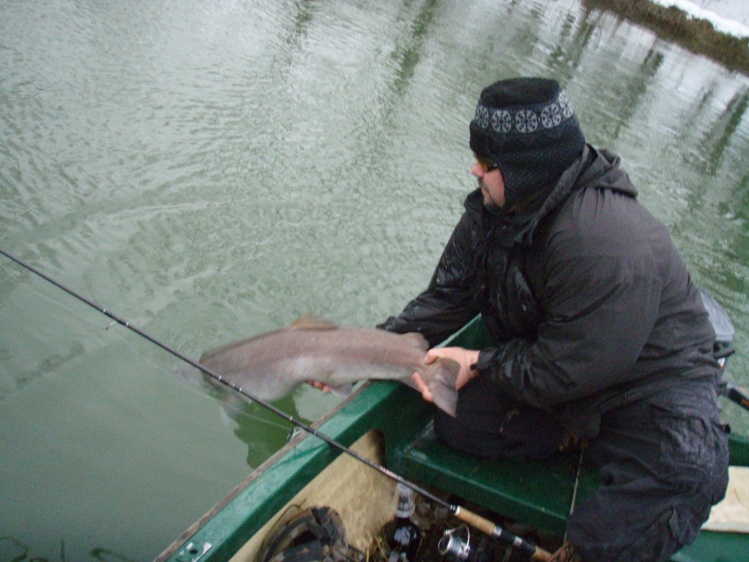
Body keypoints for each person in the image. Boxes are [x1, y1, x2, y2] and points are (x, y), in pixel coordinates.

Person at [377, 78, 729, 562]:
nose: (474, 169)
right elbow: (445, 300)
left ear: (527, 169)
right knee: (457, 422)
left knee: (685, 475)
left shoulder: (601, 240)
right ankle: (576, 435)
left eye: (488, 162)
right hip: (562, 373)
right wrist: (361, 354)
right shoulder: (492, 210)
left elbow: (569, 366)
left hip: (649, 387)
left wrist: (478, 360)